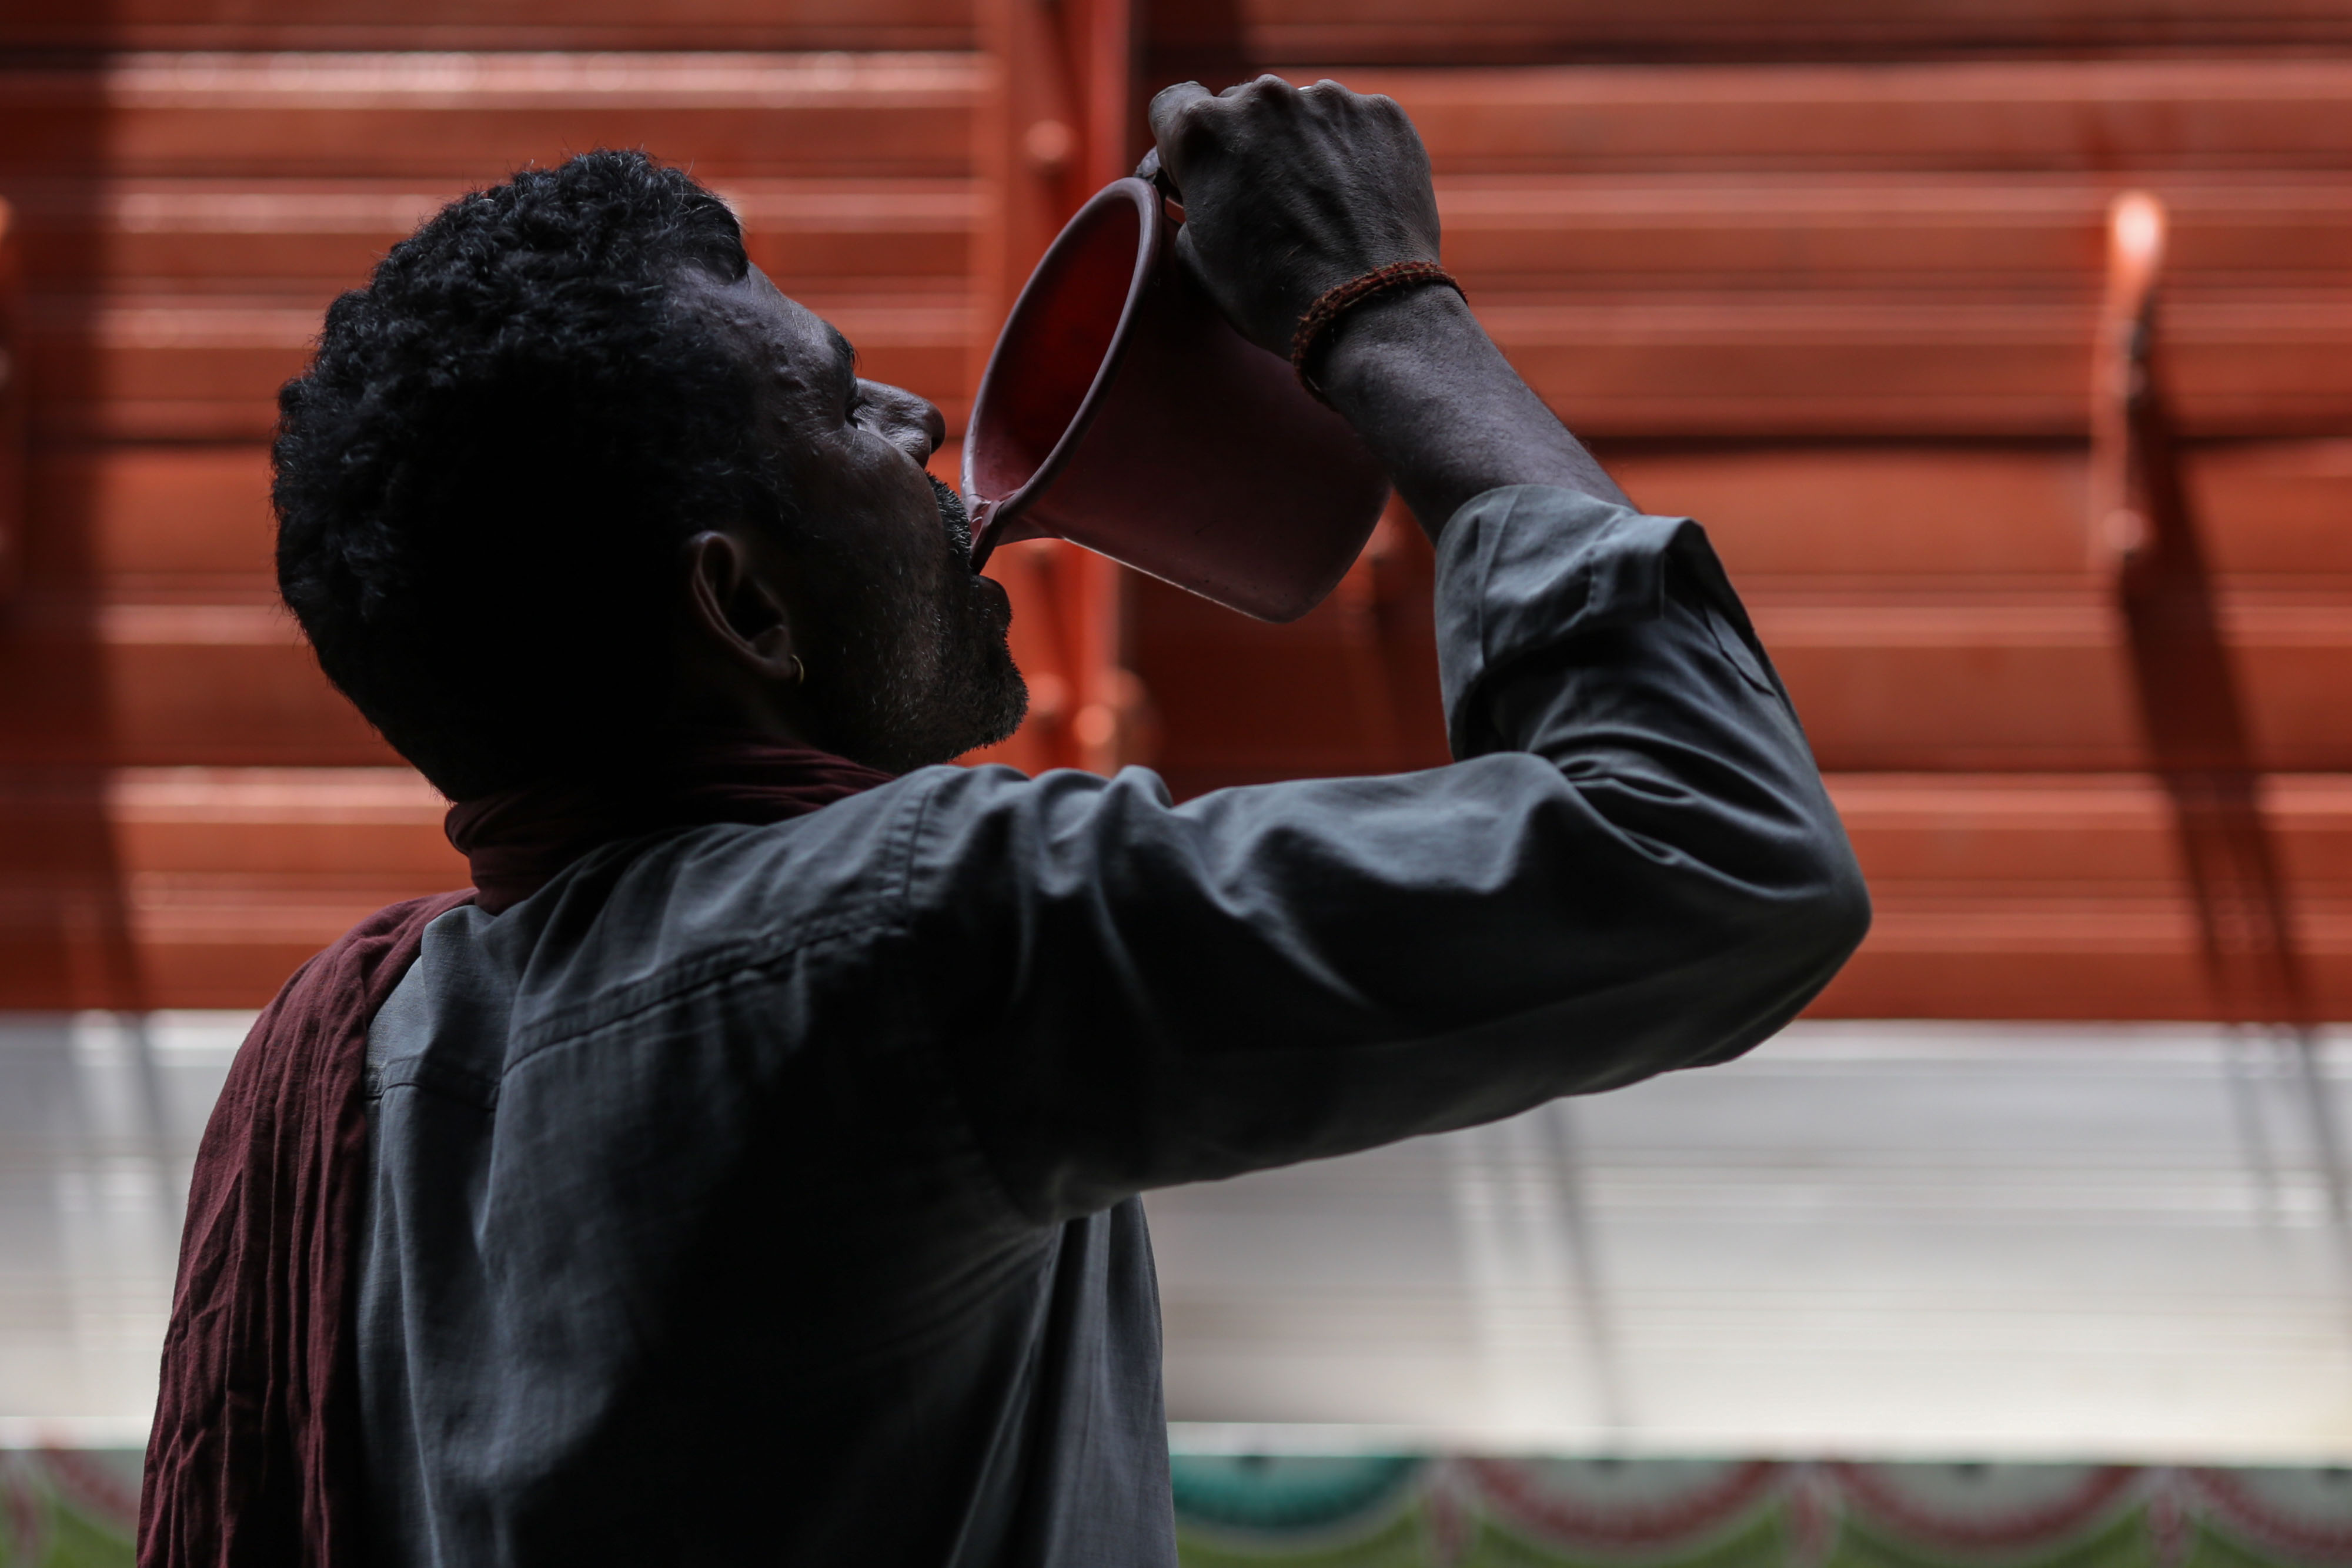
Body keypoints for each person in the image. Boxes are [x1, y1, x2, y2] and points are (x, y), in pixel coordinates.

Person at [141, 77, 1868, 1568]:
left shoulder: (366, 1055)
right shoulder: (905, 936)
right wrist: (1381, 308)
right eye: (841, 401)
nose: (921, 425)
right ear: (744, 610)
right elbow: (1718, 849)